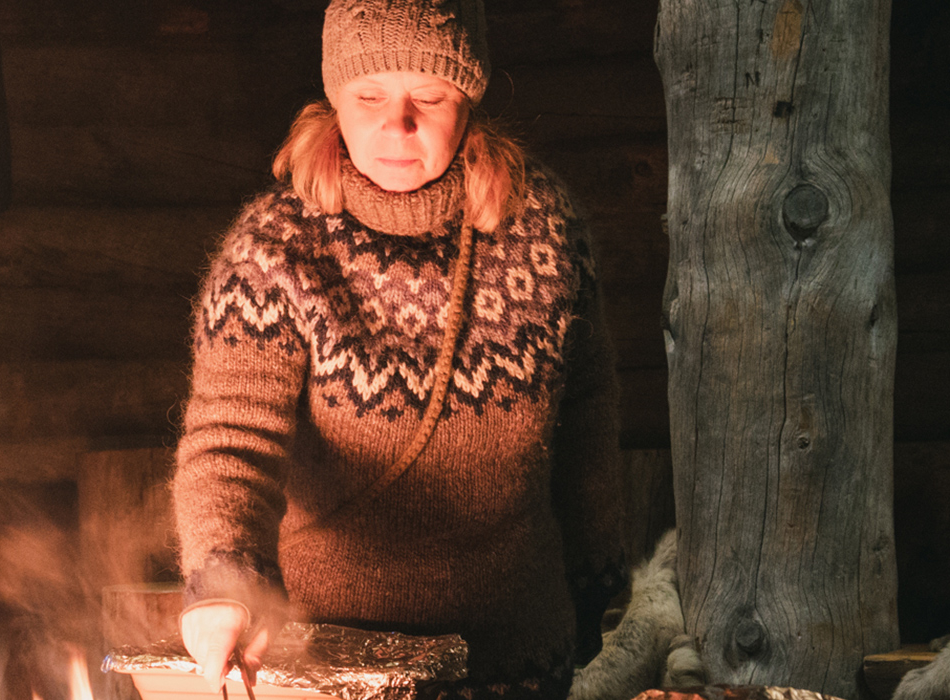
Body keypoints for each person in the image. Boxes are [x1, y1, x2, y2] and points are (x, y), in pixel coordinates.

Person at [171, 1, 627, 698]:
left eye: (429, 95)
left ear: (467, 100)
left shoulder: (542, 231)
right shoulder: (275, 249)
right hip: (332, 665)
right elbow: (232, 435)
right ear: (334, 101)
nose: (397, 124)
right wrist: (224, 579)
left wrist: (599, 582)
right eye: (369, 95)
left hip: (515, 661)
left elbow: (587, 419)